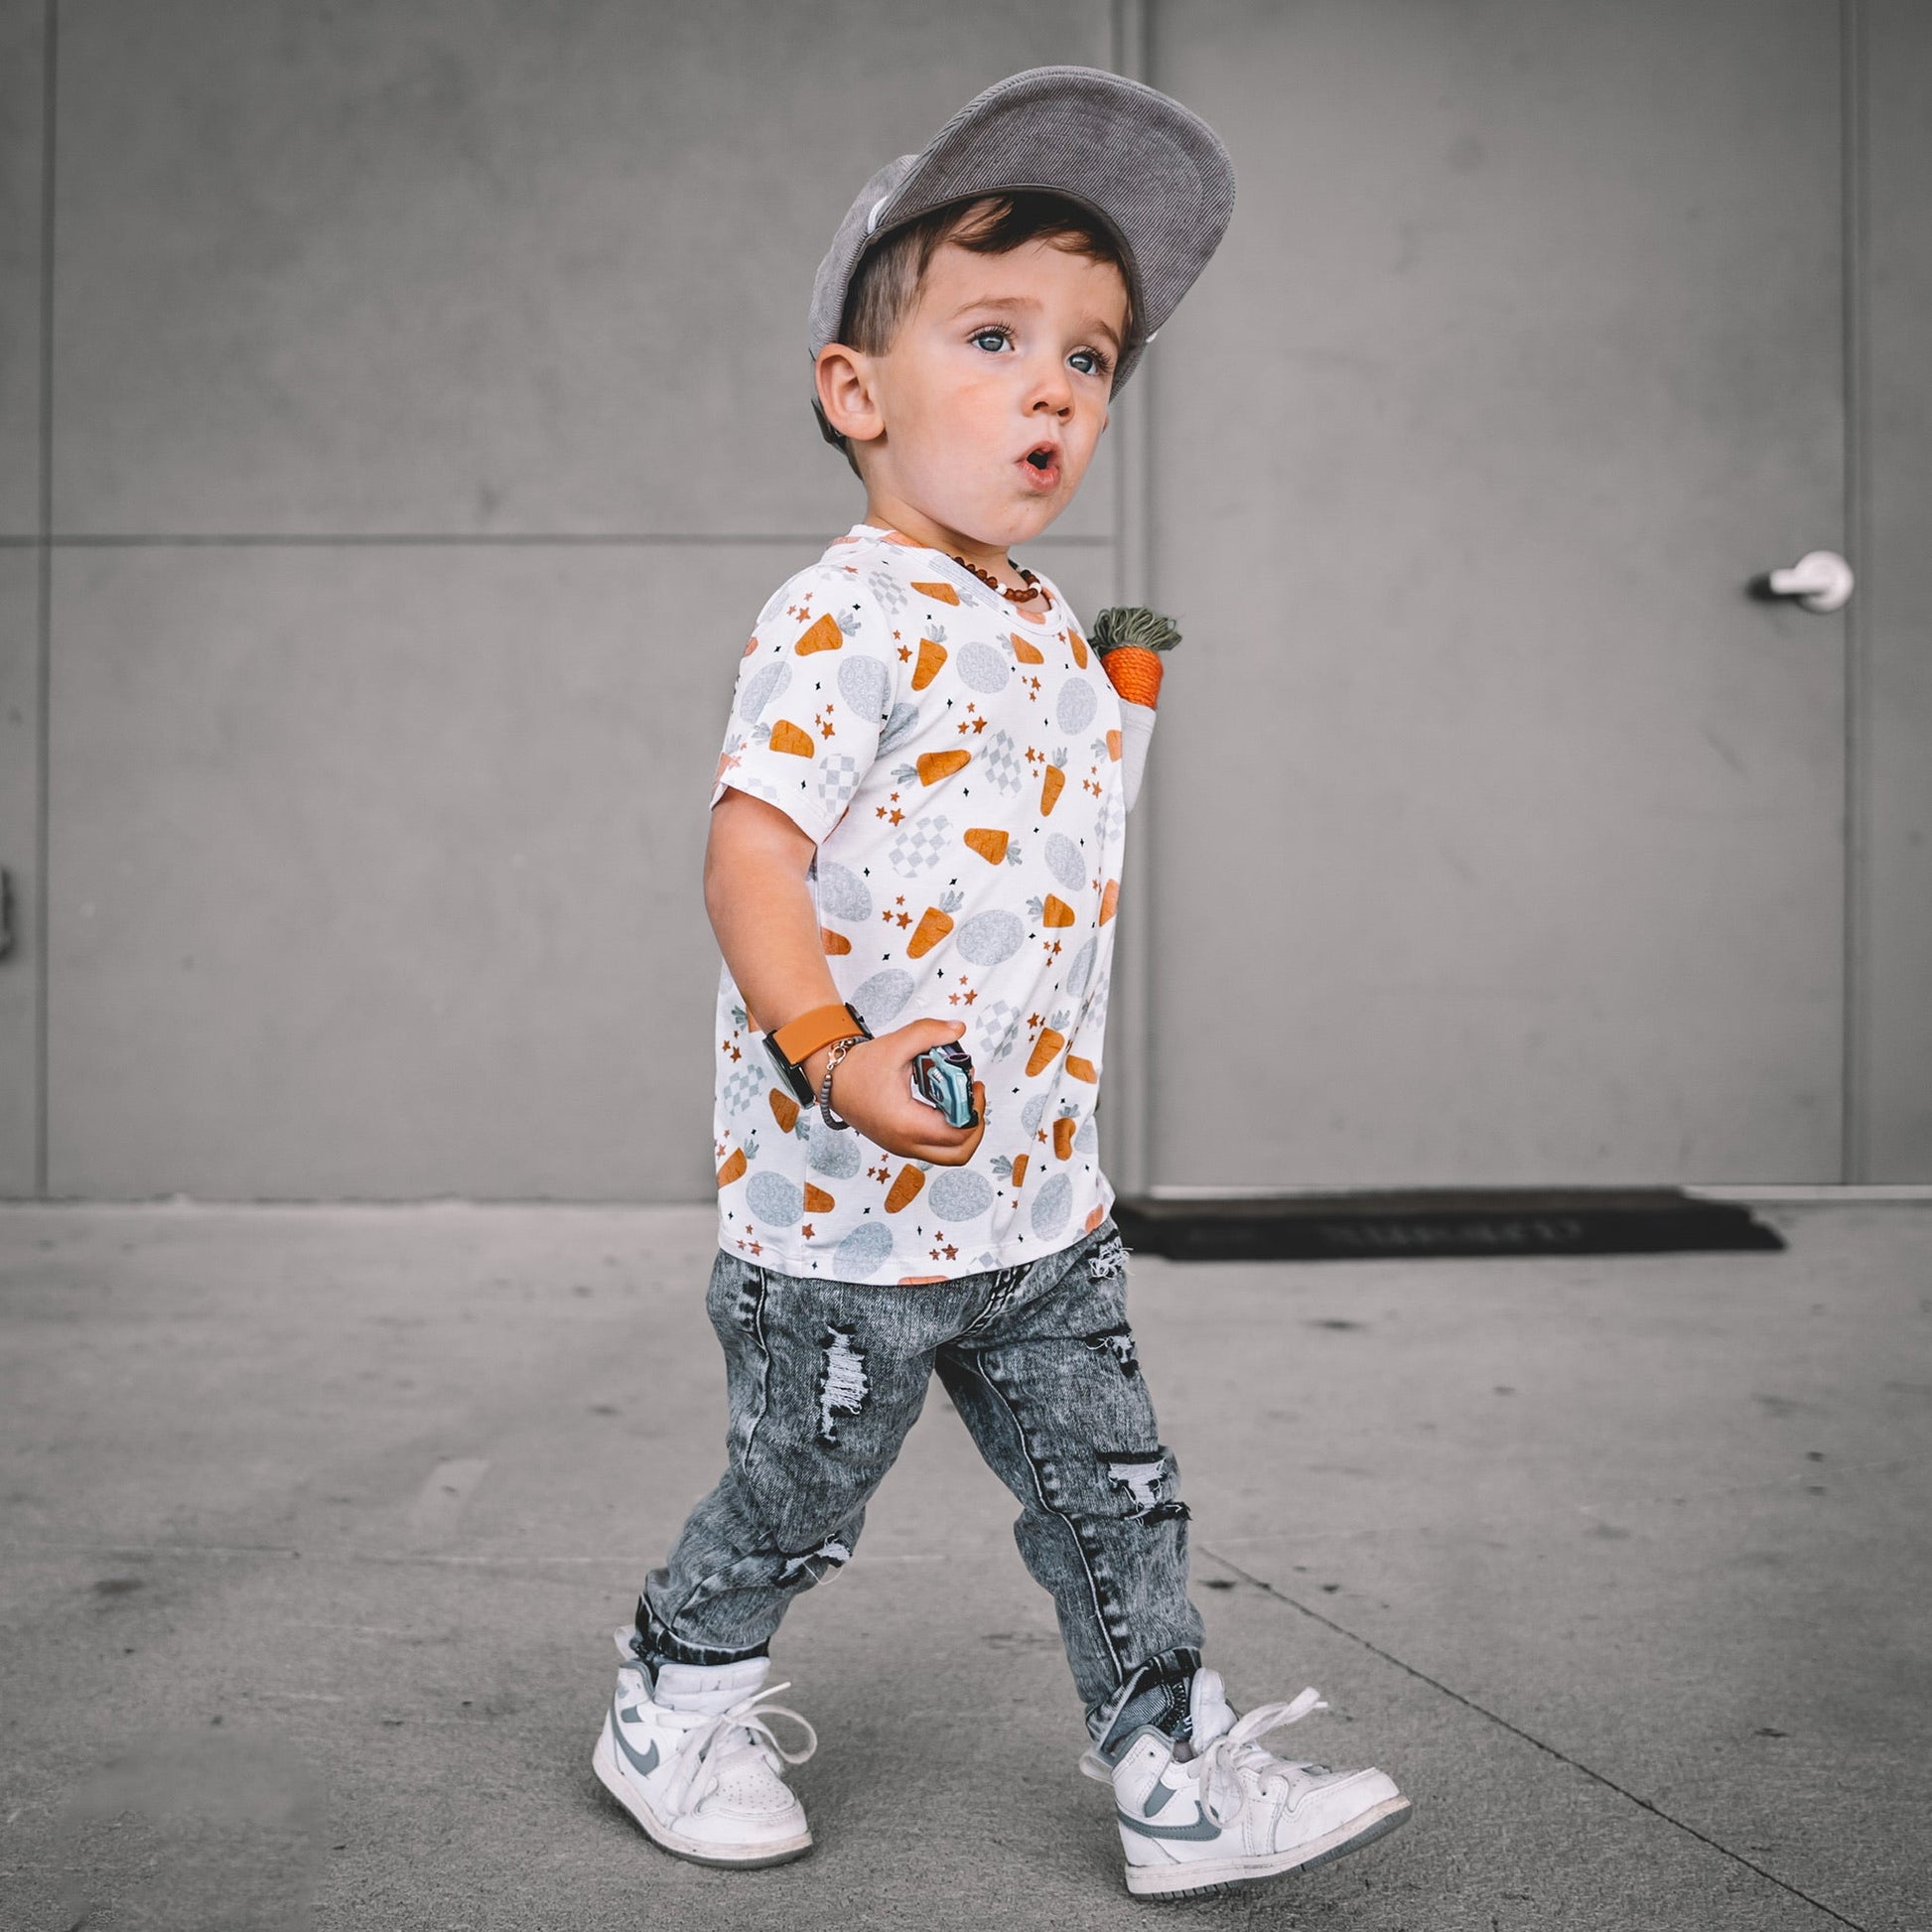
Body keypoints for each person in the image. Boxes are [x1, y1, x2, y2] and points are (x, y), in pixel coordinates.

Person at [591, 66, 1412, 1901]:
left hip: (1038, 1197)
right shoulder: (839, 612)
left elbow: (1032, 851)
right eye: (993, 335)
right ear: (855, 391)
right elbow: (750, 855)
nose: (1054, 387)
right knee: (800, 1496)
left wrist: (1117, 701)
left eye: (1089, 357)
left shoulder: (1032, 615)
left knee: (1117, 1496)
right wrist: (831, 1050)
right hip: (844, 1213)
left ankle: (1174, 1771)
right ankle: (674, 1692)